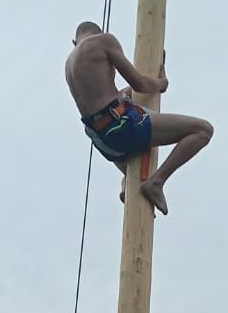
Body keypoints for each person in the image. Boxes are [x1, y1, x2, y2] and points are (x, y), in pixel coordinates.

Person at [65, 22, 213, 216]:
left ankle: (129, 185)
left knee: (135, 171)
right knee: (203, 130)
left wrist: (128, 93)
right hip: (121, 125)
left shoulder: (69, 65)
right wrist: (160, 83)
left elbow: (104, 100)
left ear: (74, 42)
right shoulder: (103, 41)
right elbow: (140, 83)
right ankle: (156, 182)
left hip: (101, 138)